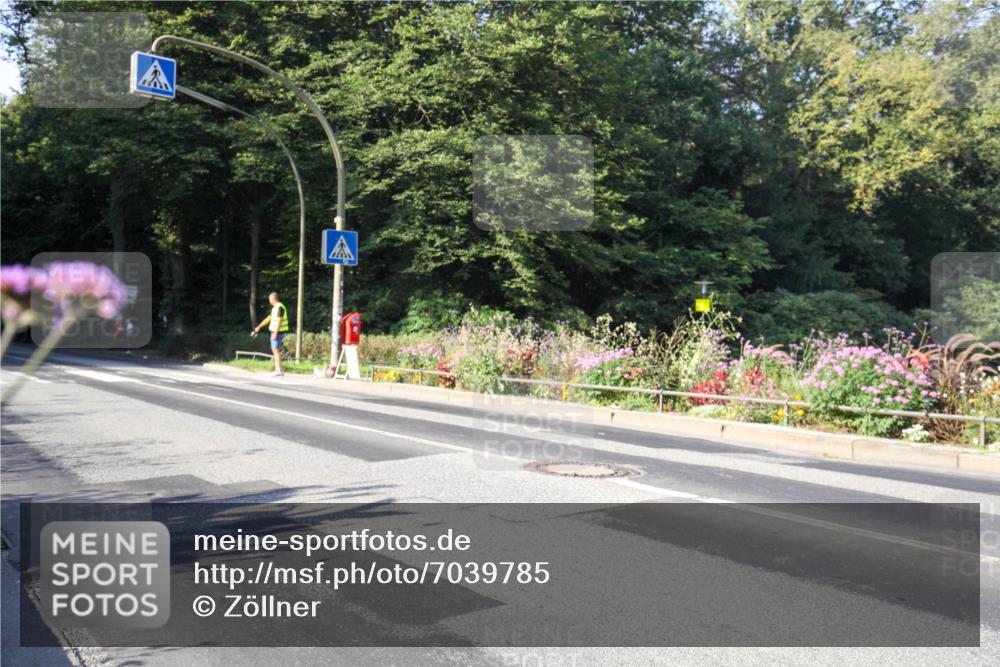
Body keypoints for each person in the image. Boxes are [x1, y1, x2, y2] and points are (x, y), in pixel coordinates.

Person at [252, 292, 289, 376]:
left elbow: (280, 320)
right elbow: (268, 319)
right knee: (275, 350)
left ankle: (279, 370)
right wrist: (259, 327)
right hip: (276, 332)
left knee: (275, 350)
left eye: (269, 299)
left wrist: (275, 333)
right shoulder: (274, 308)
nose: (269, 301)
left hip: (278, 332)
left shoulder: (280, 307)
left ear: (272, 299)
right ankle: (278, 369)